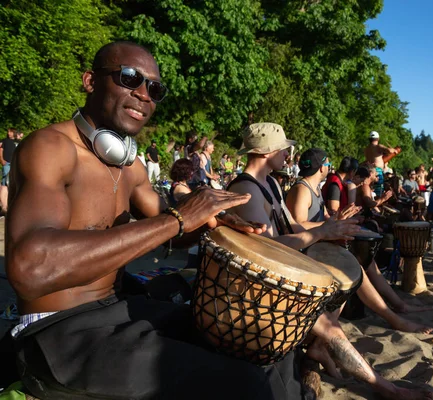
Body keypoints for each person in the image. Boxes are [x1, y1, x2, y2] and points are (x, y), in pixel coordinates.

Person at [3, 41, 310, 399]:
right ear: (90, 80)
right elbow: (31, 269)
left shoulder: (129, 166)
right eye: (130, 78)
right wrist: (181, 218)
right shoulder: (50, 148)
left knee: (262, 343)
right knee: (246, 384)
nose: (144, 94)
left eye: (155, 88)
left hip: (116, 310)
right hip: (58, 335)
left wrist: (214, 223)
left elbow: (171, 231)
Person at [229, 125, 432, 400]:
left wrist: (332, 226)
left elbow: (290, 226)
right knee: (331, 326)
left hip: (286, 269)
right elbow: (268, 248)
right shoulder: (246, 188)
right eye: (284, 148)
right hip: (266, 284)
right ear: (269, 152)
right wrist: (322, 233)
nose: (289, 154)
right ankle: (389, 389)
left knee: (347, 270)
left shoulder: (272, 183)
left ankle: (326, 345)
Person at [286, 149, 433, 332]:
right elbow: (297, 225)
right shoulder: (302, 190)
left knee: (367, 261)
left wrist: (340, 218)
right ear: (321, 167)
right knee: (356, 268)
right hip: (306, 250)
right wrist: (327, 228)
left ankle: (398, 305)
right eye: (327, 162)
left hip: (320, 243)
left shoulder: (314, 188)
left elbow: (324, 218)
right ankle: (392, 317)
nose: (330, 166)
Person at [364, 131, 400, 198]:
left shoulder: (366, 149)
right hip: (377, 171)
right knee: (378, 190)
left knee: (371, 188)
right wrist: (394, 150)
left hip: (368, 170)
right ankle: (377, 203)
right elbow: (389, 151)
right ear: (378, 139)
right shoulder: (378, 146)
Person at [0, 127, 17, 213]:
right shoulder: (5, 141)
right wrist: (2, 160)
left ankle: (11, 205)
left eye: (10, 132)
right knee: (5, 183)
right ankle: (4, 207)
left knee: (13, 183)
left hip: (15, 164)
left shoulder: (18, 142)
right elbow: (1, 150)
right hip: (7, 163)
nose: (9, 133)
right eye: (8, 132)